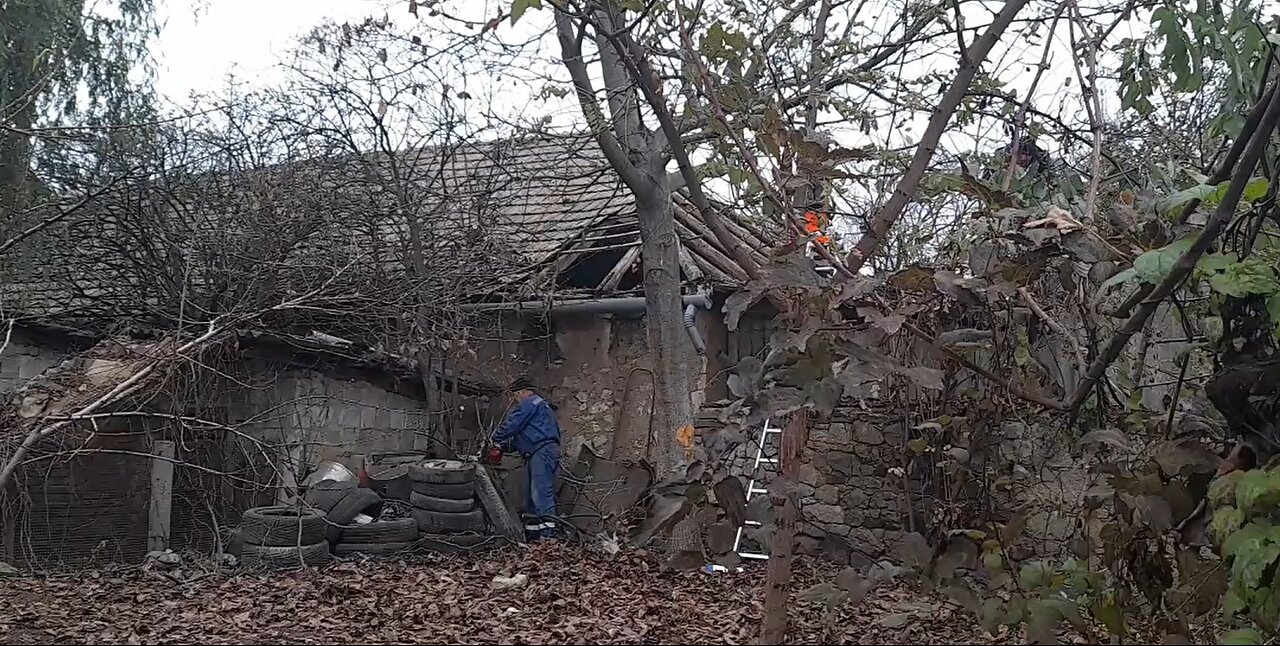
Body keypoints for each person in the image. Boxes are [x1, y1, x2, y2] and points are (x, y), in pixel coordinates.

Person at [491, 378, 561, 540]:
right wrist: (503, 447)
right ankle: (534, 536)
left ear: (522, 392)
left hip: (541, 452)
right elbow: (520, 438)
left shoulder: (532, 403)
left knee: (540, 493)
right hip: (536, 452)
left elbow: (514, 423)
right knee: (530, 498)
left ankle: (549, 538)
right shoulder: (539, 409)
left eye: (515, 396)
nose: (515, 401)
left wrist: (495, 438)